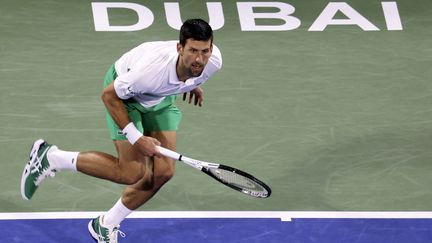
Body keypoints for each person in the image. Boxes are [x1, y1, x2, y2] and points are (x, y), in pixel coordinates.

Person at [20, 18, 222, 242]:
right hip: (125, 96)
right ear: (179, 47)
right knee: (131, 172)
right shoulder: (150, 73)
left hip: (159, 97)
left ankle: (105, 224)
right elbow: (109, 95)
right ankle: (52, 157)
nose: (199, 59)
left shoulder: (213, 62)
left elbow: (195, 68)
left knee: (163, 172)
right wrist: (136, 138)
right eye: (193, 51)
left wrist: (191, 83)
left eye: (205, 51)